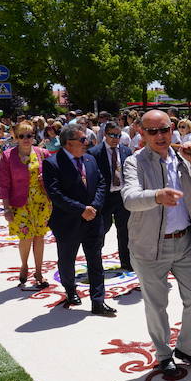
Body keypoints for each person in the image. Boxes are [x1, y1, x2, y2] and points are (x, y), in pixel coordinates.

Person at [121, 109, 191, 380]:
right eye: (153, 131)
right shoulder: (134, 162)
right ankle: (163, 354)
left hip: (184, 240)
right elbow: (130, 199)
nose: (160, 135)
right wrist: (157, 196)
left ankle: (186, 347)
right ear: (142, 133)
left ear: (173, 128)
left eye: (165, 129)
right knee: (156, 304)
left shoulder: (183, 158)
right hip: (149, 246)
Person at [42, 123, 115, 317]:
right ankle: (70, 290)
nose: (87, 143)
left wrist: (95, 207)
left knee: (96, 261)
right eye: (82, 140)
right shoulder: (52, 163)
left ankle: (98, 301)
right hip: (68, 222)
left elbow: (101, 183)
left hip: (93, 221)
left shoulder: (90, 159)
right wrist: (81, 210)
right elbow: (55, 194)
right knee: (67, 260)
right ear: (68, 143)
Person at [0, 122, 52, 290]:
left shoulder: (43, 153)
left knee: (39, 237)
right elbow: (3, 184)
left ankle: (38, 272)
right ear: (15, 137)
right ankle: (24, 265)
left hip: (42, 203)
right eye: (21, 136)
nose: (26, 139)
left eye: (29, 135)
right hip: (19, 204)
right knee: (25, 237)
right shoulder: (8, 156)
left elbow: (54, 174)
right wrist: (6, 208)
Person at [90, 121, 133, 271]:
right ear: (105, 135)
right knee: (101, 230)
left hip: (122, 196)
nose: (116, 138)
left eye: (118, 135)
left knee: (125, 231)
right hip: (105, 198)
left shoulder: (126, 151)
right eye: (112, 135)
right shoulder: (94, 152)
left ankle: (126, 262)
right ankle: (95, 263)